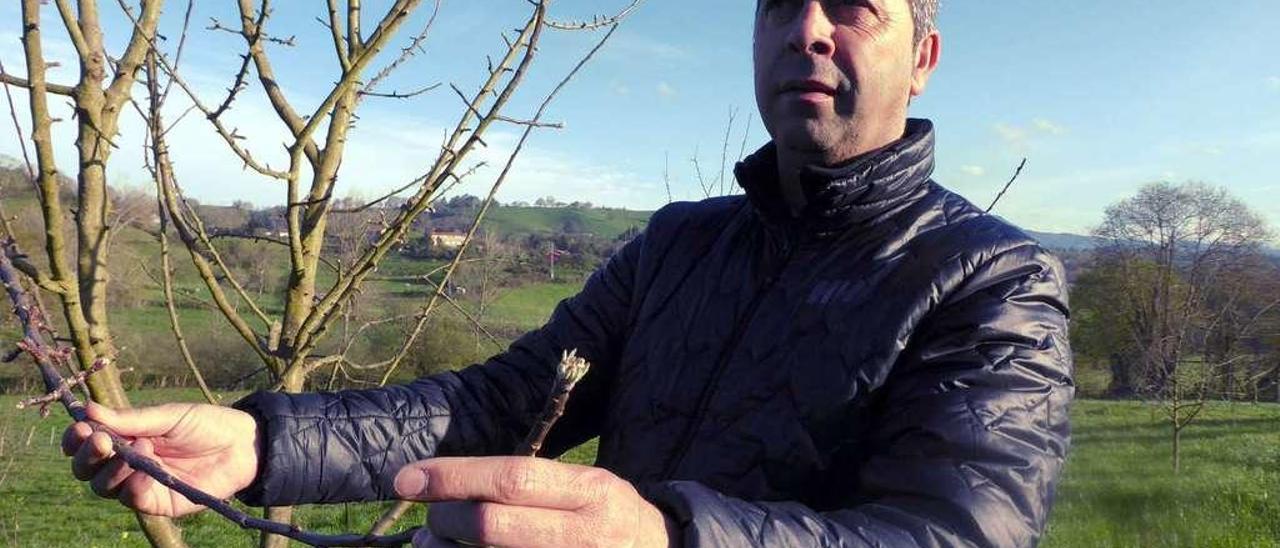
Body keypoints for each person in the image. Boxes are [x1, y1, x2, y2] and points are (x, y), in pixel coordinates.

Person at [65, 1, 1075, 546]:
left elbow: (951, 534)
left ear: (923, 54)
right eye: (776, 3)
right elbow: (497, 401)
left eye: (854, 5)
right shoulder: (678, 242)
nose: (806, 26)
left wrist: (661, 534)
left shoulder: (990, 278)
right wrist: (262, 439)